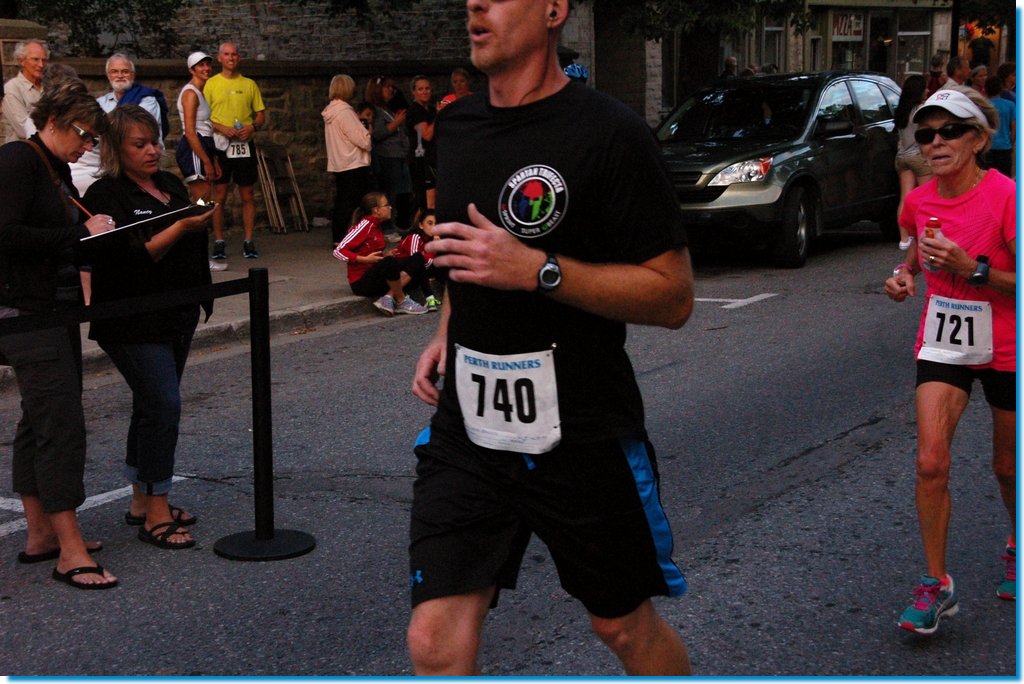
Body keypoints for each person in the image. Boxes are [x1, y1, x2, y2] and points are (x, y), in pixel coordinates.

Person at [405, 0, 694, 675]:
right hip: (470, 429)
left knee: (622, 627)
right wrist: (448, 327)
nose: (475, 4)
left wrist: (539, 271)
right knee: (433, 639)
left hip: (581, 429)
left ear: (554, 10)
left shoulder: (611, 133)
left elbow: (674, 296)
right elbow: (465, 250)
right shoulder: (457, 124)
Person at [886, 88, 1016, 635]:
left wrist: (972, 269)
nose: (935, 143)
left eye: (949, 132)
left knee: (1008, 467)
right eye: (925, 134)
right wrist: (905, 274)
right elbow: (917, 246)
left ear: (979, 140)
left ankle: (1017, 542)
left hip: (1008, 343)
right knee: (930, 462)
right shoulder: (919, 201)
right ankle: (937, 583)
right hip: (944, 342)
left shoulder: (1007, 197)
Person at [0, 80, 118, 588]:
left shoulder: (55, 168)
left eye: (93, 139)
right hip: (27, 311)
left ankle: (41, 533)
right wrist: (78, 233)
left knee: (40, 418)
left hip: (54, 307)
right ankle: (70, 552)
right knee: (61, 423)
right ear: (53, 121)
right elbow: (6, 235)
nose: (87, 145)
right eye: (83, 134)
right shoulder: (18, 160)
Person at [83, 105, 214, 550]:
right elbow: (127, 259)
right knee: (163, 405)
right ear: (117, 149)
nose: (152, 151)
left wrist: (200, 215)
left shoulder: (170, 184)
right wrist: (179, 227)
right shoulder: (105, 194)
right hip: (132, 318)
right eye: (139, 144)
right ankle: (157, 510)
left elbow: (189, 234)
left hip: (178, 311)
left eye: (155, 141)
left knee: (150, 404)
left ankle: (141, 500)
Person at [70, 53, 166, 195]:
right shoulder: (100, 102)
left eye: (125, 71)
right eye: (115, 71)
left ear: (132, 75)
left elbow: (130, 129)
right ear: (108, 75)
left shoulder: (147, 100)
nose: (120, 75)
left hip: (140, 163)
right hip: (109, 165)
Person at [204, 41, 266, 260]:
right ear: (220, 58)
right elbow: (204, 116)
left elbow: (260, 114)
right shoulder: (211, 84)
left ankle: (248, 240)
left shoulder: (249, 84)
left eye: (234, 54)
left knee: (247, 194)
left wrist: (252, 127)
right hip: (221, 145)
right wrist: (222, 128)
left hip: (243, 145)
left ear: (239, 58)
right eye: (227, 54)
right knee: (219, 194)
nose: (231, 58)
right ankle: (219, 241)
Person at [332, 192, 428, 316]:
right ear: (376, 210)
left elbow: (372, 253)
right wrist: (363, 259)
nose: (390, 208)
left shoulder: (376, 226)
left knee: (417, 258)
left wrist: (385, 256)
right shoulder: (364, 226)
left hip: (376, 275)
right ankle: (401, 300)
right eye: (386, 205)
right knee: (390, 263)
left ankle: (388, 297)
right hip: (361, 282)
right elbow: (338, 251)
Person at [323, 74, 371, 246]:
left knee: (342, 202)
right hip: (353, 162)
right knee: (353, 203)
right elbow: (362, 140)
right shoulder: (345, 113)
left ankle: (339, 236)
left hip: (340, 162)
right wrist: (367, 133)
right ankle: (351, 236)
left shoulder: (331, 112)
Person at [365, 76, 411, 232]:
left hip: (398, 155)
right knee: (388, 194)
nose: (391, 90)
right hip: (387, 156)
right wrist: (396, 123)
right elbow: (378, 133)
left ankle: (395, 223)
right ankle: (386, 227)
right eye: (387, 87)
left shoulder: (387, 108)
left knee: (398, 193)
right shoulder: (376, 111)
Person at [175, 51, 221, 204]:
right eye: (201, 65)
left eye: (208, 64)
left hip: (205, 144)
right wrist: (206, 162)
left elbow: (207, 127)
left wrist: (213, 160)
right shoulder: (190, 94)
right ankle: (193, 221)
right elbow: (190, 132)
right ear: (191, 70)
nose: (206, 68)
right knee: (203, 198)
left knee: (209, 198)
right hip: (194, 148)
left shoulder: (200, 92)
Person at [894, 74, 933, 249]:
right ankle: (923, 234)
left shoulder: (901, 111)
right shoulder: (922, 110)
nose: (928, 91)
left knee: (905, 197)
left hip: (902, 157)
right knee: (926, 198)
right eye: (925, 88)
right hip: (919, 157)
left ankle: (904, 239)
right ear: (918, 91)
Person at [392, 207, 441, 311]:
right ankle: (429, 299)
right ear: (421, 225)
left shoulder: (431, 239)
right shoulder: (414, 237)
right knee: (420, 259)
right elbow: (417, 264)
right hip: (400, 276)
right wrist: (433, 251)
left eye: (436, 224)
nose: (434, 227)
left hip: (415, 274)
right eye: (430, 223)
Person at [2, 39, 48, 144]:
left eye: (44, 60)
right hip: (23, 150)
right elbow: (24, 129)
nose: (41, 65)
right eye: (35, 59)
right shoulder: (12, 88)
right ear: (21, 61)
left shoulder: (50, 87)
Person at [406, 75, 438, 212]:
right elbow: (427, 135)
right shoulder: (415, 110)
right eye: (420, 89)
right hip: (421, 161)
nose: (424, 92)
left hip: (433, 160)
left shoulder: (431, 110)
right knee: (426, 202)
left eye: (427, 88)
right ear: (413, 92)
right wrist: (439, 116)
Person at [984, 76, 1015, 178]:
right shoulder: (1010, 105)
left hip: (987, 147)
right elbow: (1014, 128)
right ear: (1001, 88)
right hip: (1004, 147)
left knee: (987, 178)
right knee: (1004, 179)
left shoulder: (982, 105)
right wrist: (1011, 143)